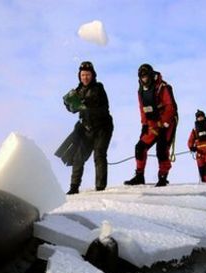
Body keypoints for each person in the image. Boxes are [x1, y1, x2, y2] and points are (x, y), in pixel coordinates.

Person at [60, 61, 114, 195]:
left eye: (88, 74)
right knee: (78, 157)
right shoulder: (77, 91)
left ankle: (100, 188)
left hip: (103, 128)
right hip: (86, 128)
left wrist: (87, 104)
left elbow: (102, 107)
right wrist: (68, 104)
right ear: (79, 76)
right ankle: (74, 187)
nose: (85, 77)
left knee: (99, 155)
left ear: (93, 75)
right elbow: (73, 108)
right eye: (83, 75)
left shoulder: (99, 88)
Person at [124, 64, 178, 187]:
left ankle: (163, 177)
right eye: (142, 77)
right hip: (152, 124)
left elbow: (171, 108)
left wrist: (163, 123)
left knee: (162, 149)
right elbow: (142, 109)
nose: (144, 79)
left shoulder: (163, 87)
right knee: (140, 147)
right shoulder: (141, 91)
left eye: (146, 76)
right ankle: (139, 175)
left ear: (151, 75)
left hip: (167, 122)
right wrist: (144, 125)